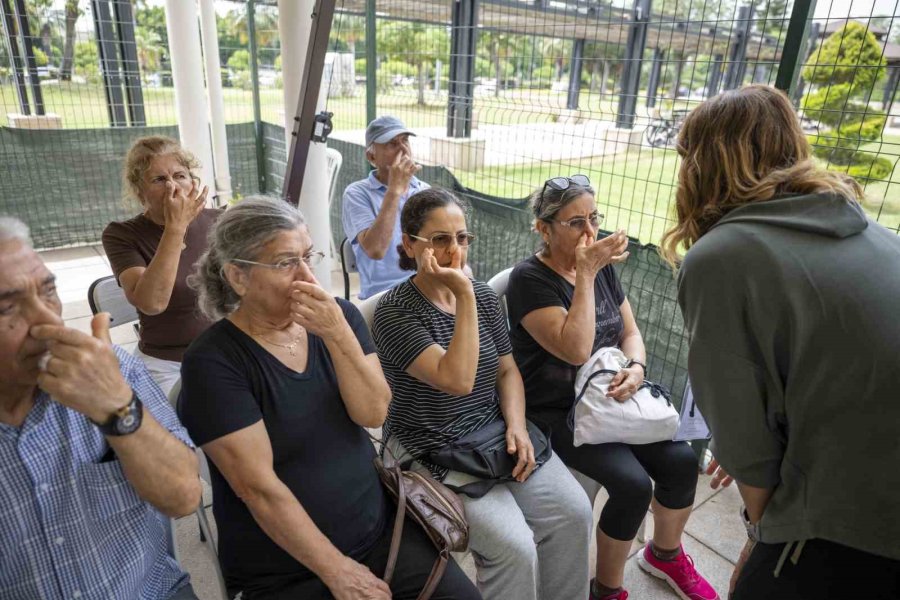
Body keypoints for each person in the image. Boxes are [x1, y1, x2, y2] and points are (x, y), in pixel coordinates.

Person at [177, 197, 481, 600]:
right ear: (238, 277)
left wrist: (338, 333)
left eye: (308, 257)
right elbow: (257, 488)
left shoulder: (338, 317)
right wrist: (337, 571)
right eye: (286, 263)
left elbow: (372, 411)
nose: (307, 276)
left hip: (380, 534)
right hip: (286, 567)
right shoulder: (213, 362)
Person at [663, 84, 900, 599]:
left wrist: (760, 538)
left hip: (859, 521)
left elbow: (748, 454)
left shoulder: (721, 257)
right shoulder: (873, 233)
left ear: (704, 164)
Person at [505, 175, 718, 600]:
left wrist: (637, 367)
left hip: (613, 398)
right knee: (633, 484)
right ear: (544, 229)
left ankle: (664, 554)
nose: (590, 232)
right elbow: (575, 350)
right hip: (557, 410)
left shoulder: (599, 271)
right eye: (575, 222)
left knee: (678, 461)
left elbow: (631, 332)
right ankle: (607, 589)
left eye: (594, 218)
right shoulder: (529, 280)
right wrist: (584, 272)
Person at [373, 188, 592, 600]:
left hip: (492, 434)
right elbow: (457, 380)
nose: (454, 250)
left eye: (461, 237)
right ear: (409, 244)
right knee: (515, 547)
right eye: (439, 239)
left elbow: (507, 370)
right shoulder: (395, 312)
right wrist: (464, 294)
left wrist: (517, 427)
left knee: (574, 513)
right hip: (432, 449)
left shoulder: (483, 297)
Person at [0, 216, 202, 600]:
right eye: (7, 308)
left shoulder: (110, 368)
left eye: (48, 292)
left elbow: (184, 498)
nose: (47, 319)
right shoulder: (125, 233)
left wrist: (117, 408)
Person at [102, 135, 221, 396]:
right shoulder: (122, 235)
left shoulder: (220, 222)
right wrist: (175, 229)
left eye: (180, 176)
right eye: (158, 180)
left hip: (226, 354)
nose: (172, 187)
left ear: (193, 182)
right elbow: (152, 303)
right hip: (168, 365)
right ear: (139, 191)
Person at [342, 115, 430, 299]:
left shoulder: (423, 191)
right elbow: (375, 250)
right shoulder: (357, 194)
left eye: (405, 140)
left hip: (427, 287)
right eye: (392, 143)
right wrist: (395, 190)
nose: (403, 149)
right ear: (371, 156)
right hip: (384, 296)